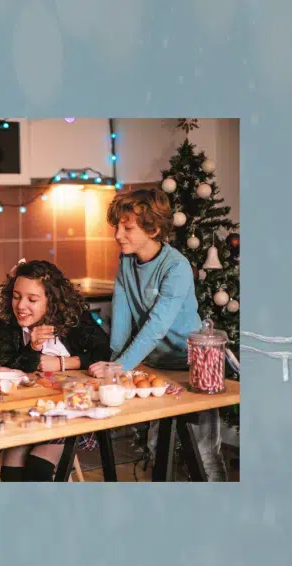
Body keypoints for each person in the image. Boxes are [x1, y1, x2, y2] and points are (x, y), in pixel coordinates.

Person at [89, 188, 227, 481]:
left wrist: (120, 366)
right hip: (158, 366)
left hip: (194, 366)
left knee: (204, 452)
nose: (118, 235)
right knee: (157, 445)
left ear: (152, 229)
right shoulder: (127, 261)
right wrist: (115, 363)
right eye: (117, 227)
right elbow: (122, 310)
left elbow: (156, 326)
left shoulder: (175, 267)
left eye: (127, 228)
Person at [0, 260, 112, 481]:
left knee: (37, 467)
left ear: (52, 300)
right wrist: (33, 349)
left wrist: (62, 363)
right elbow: (5, 366)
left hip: (69, 407)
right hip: (25, 409)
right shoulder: (7, 321)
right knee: (11, 469)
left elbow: (104, 352)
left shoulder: (73, 317)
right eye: (17, 296)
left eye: (32, 299)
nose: (21, 306)